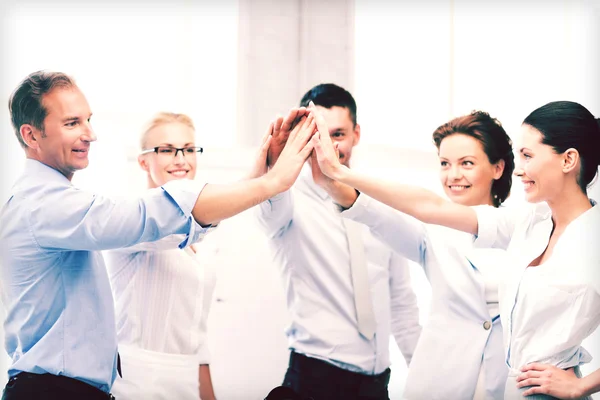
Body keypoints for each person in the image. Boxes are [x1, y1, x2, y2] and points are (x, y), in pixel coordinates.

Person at [0, 70, 316, 400]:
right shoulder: (43, 205)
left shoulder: (51, 202)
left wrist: (259, 175)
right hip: (62, 390)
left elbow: (177, 226)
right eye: (71, 123)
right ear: (31, 135)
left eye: (88, 120)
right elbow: (149, 216)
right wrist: (270, 182)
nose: (90, 134)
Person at [311, 100, 600, 399]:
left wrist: (582, 384)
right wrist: (339, 174)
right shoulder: (529, 222)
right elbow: (428, 206)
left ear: (568, 161)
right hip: (508, 389)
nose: (520, 169)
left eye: (528, 156)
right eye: (445, 163)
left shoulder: (592, 238)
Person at [320, 110, 514, 399]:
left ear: (497, 168)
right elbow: (376, 215)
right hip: (441, 379)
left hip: (506, 381)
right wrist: (332, 181)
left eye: (467, 163)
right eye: (445, 164)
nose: (453, 175)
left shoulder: (522, 229)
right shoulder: (428, 230)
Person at [256, 83, 422, 400]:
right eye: (316, 134)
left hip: (376, 386)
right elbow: (267, 212)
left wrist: (428, 377)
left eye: (337, 134)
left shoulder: (379, 202)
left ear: (356, 134)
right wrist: (276, 169)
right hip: (314, 380)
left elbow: (401, 301)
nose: (327, 147)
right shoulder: (285, 200)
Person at [103, 112, 233, 399]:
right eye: (166, 150)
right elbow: (168, 230)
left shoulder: (205, 243)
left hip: (187, 382)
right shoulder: (129, 220)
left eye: (188, 149)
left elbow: (197, 337)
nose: (181, 159)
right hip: (135, 382)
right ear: (143, 161)